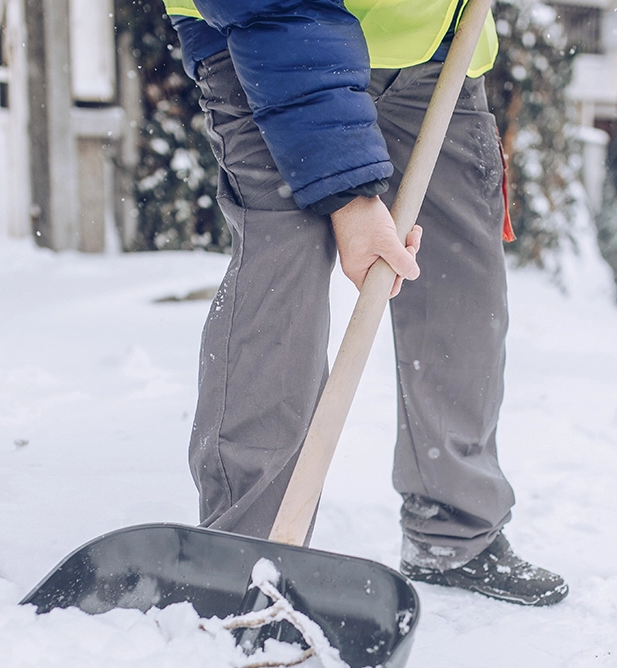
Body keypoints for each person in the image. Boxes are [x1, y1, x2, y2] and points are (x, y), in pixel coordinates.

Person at [165, 0, 568, 606]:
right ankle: (247, 547)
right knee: (286, 265)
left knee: (460, 282)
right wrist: (350, 199)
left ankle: (453, 528)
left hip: (438, 50)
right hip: (265, 34)